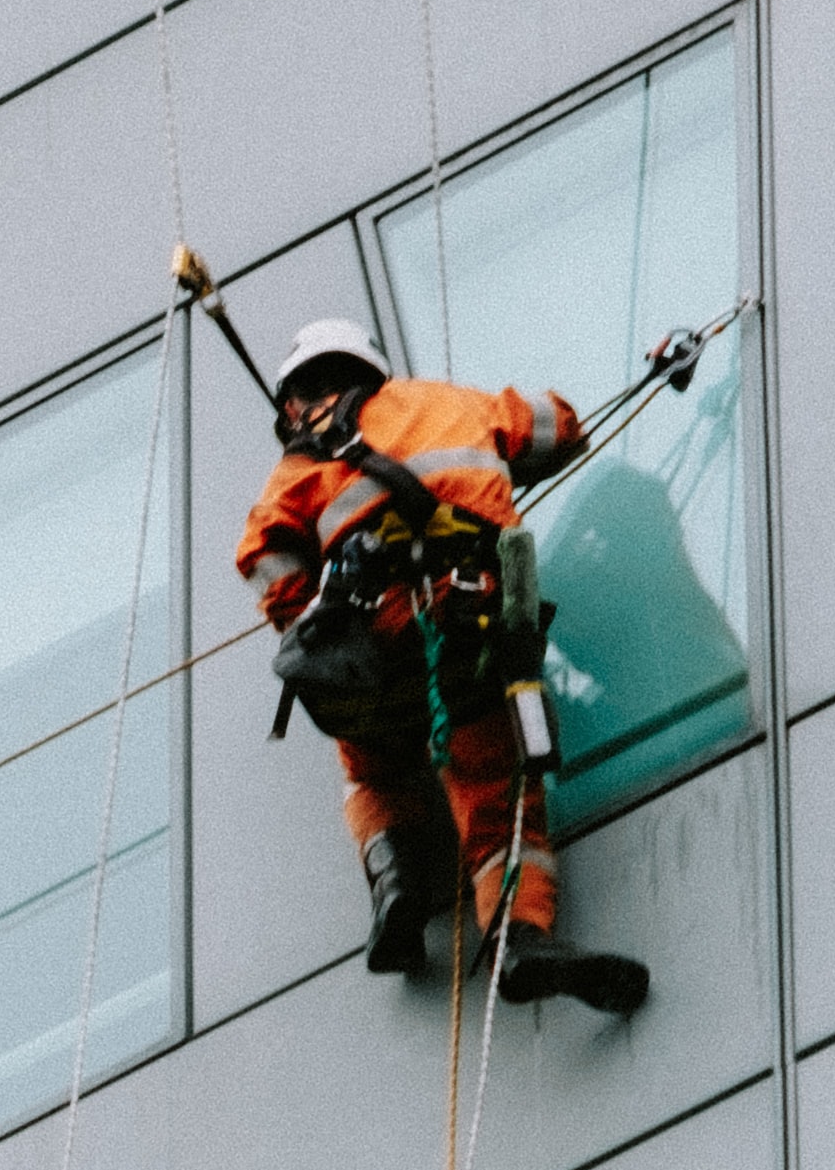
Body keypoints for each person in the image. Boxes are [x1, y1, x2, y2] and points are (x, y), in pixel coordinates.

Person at [234, 319, 650, 1016]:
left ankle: (397, 891)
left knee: (368, 769)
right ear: (367, 369)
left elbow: (264, 561)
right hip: (467, 629)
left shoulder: (296, 472)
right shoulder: (451, 404)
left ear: (299, 398)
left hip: (371, 648)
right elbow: (557, 427)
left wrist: (308, 610)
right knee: (495, 794)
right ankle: (520, 938)